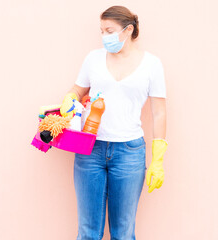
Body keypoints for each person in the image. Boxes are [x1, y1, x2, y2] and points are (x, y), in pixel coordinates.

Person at [60, 5, 168, 240]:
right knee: (88, 232)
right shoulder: (93, 58)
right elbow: (78, 89)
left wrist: (158, 159)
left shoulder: (152, 65)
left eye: (109, 31)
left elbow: (159, 113)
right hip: (90, 149)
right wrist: (70, 98)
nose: (104, 37)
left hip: (129, 152)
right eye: (101, 31)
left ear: (128, 30)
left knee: (123, 232)